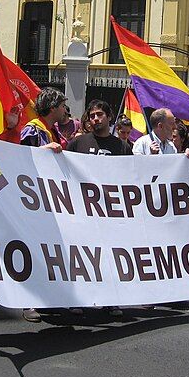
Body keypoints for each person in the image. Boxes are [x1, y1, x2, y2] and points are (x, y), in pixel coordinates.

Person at [67, 100, 131, 317]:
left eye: (100, 114)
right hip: (82, 213)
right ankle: (77, 299)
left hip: (110, 214)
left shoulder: (122, 147)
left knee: (109, 257)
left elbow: (131, 177)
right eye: (92, 115)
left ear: (109, 117)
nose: (95, 119)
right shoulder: (78, 144)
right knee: (82, 257)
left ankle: (111, 300)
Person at [19, 87, 65, 322]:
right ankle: (29, 302)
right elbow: (21, 159)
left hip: (49, 200)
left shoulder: (51, 131)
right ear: (54, 107)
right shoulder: (33, 129)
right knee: (34, 250)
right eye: (63, 105)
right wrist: (43, 150)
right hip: (34, 199)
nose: (65, 110)